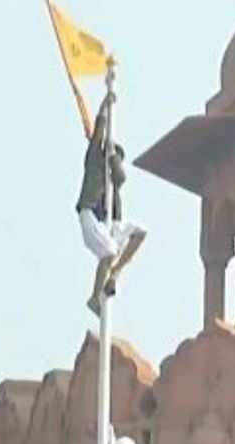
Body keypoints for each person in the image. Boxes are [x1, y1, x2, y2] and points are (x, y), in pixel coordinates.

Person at [76, 92, 146, 317]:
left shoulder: (113, 181)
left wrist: (115, 159)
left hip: (111, 223)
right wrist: (104, 107)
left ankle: (114, 274)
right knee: (108, 251)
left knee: (139, 232)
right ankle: (95, 297)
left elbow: (121, 178)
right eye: (114, 154)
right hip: (91, 216)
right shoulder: (94, 163)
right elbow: (97, 134)